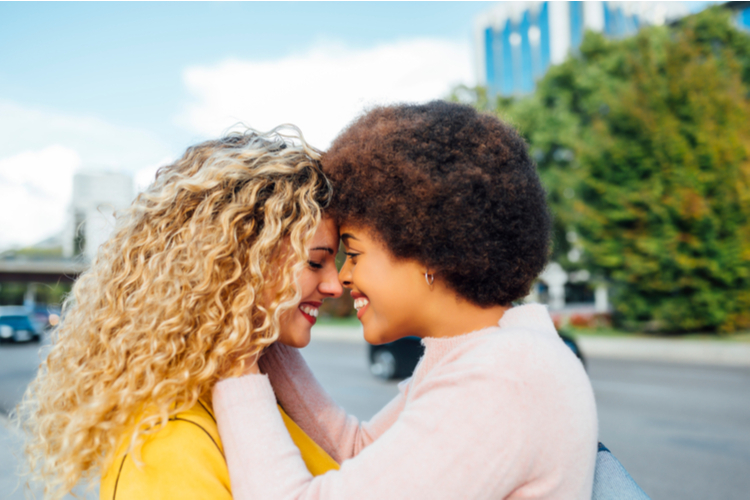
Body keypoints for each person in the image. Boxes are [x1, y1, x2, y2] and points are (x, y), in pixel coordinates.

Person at [211, 101, 599, 499]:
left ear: (427, 251)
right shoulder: (491, 351)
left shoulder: (504, 377)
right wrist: (258, 319)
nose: (342, 277)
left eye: (354, 254)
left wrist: (236, 365)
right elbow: (359, 453)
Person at [18, 127, 343, 500]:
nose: (336, 286)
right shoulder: (166, 448)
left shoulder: (257, 390)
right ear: (240, 260)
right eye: (316, 262)